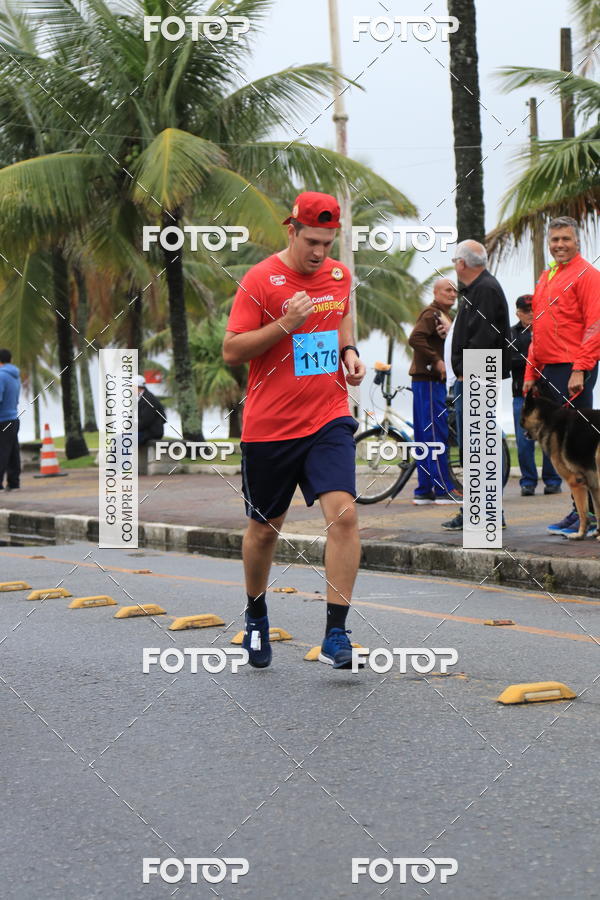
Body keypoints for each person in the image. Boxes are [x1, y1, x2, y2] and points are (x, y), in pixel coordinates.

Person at [223, 191, 366, 670]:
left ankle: (336, 633)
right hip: (271, 427)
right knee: (265, 531)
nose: (319, 253)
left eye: (327, 243)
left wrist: (348, 353)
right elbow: (232, 351)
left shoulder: (339, 276)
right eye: (311, 241)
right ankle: (257, 616)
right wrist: (285, 324)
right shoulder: (260, 279)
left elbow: (340, 319)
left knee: (343, 517)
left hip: (328, 414)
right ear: (291, 230)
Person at [522, 216, 600, 536]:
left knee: (578, 449)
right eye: (554, 240)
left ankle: (588, 516)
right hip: (548, 369)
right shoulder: (547, 276)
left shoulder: (588, 275)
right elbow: (537, 329)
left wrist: (581, 367)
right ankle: (578, 510)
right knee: (561, 452)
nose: (559, 245)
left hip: (574, 368)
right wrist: (530, 371)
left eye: (565, 239)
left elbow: (595, 325)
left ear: (577, 241)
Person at [443, 240, 511, 530]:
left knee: (478, 445)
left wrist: (466, 373)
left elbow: (482, 336)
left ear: (461, 263)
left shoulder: (483, 289)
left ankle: (486, 513)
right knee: (476, 445)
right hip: (475, 375)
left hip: (477, 376)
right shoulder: (480, 288)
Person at [407, 278, 460, 504]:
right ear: (436, 292)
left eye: (455, 291)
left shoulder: (445, 316)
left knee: (424, 435)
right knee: (435, 433)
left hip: (425, 382)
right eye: (447, 290)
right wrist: (437, 361)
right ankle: (442, 489)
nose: (452, 294)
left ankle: (424, 490)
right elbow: (415, 338)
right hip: (429, 380)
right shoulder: (432, 314)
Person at [510, 295, 561, 496]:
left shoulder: (549, 328)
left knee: (551, 437)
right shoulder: (511, 334)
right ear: (518, 313)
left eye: (533, 308)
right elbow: (510, 360)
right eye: (526, 310)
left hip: (547, 396)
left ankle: (552, 480)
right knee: (524, 442)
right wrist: (534, 360)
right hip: (521, 395)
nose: (531, 313)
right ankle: (528, 481)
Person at [0, 348, 22, 492]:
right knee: (13, 451)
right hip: (13, 418)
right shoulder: (15, 376)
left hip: (2, 419)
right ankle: (14, 483)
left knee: (2, 452)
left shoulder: (1, 376)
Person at [137, 375, 166, 446]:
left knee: (122, 441)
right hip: (143, 432)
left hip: (151, 433)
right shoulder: (141, 397)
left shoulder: (148, 399)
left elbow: (145, 421)